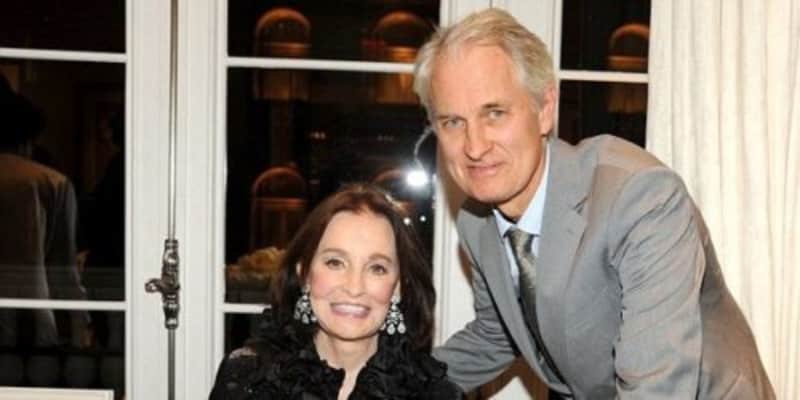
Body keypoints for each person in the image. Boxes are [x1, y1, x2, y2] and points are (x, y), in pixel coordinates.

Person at [413, 8, 774, 399]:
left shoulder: (640, 198)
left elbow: (658, 386)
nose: (475, 146)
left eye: (495, 113)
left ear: (544, 110)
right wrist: (391, 386)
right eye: (453, 122)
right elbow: (498, 333)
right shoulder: (475, 222)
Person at [209, 184, 462, 399]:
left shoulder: (437, 394)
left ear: (398, 286)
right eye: (335, 262)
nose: (354, 287)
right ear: (304, 274)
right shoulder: (245, 378)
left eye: (377, 268)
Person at [0, 75, 89, 357]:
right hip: (29, 316)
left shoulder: (46, 182)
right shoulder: (50, 182)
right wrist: (80, 327)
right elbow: (64, 267)